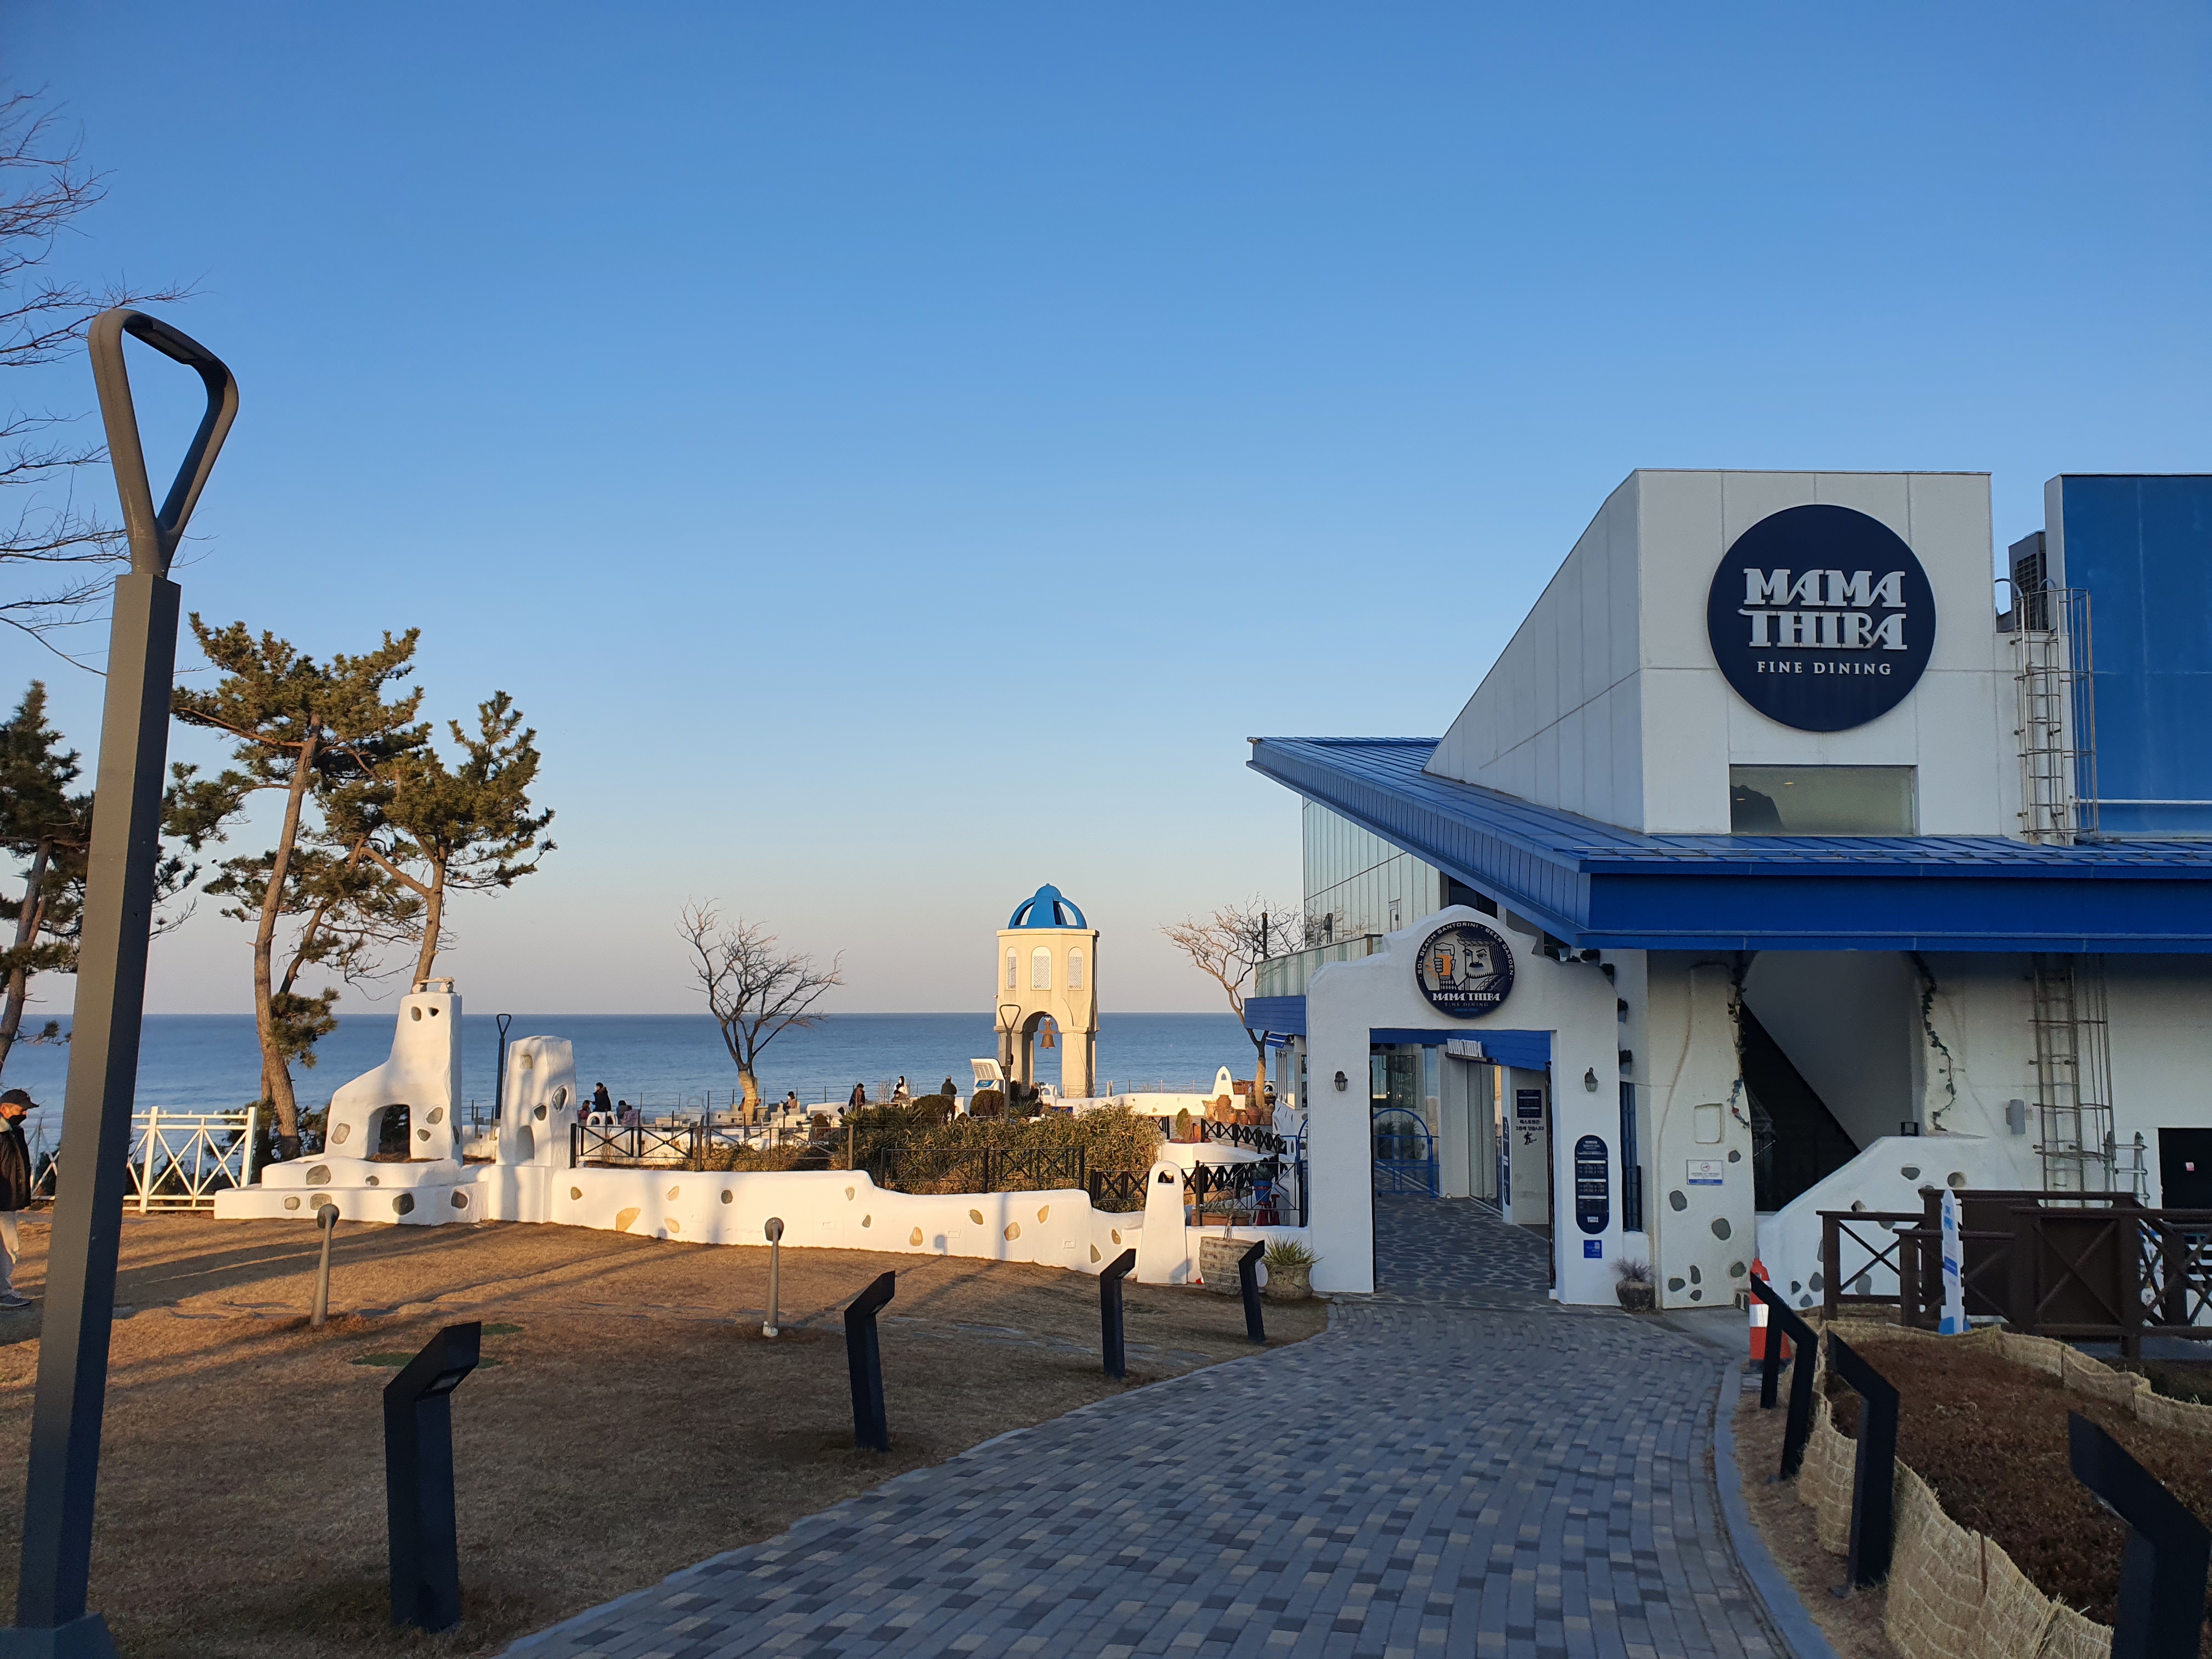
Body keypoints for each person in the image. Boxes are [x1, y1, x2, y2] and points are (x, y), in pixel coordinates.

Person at [0, 1089, 36, 1311]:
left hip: (8, 1200)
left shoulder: (14, 1132)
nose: (24, 1114)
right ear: (4, 1109)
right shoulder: (6, 1133)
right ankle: (3, 1292)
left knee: (9, 1247)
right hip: (4, 1199)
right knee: (8, 1247)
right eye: (20, 1110)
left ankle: (3, 1290)